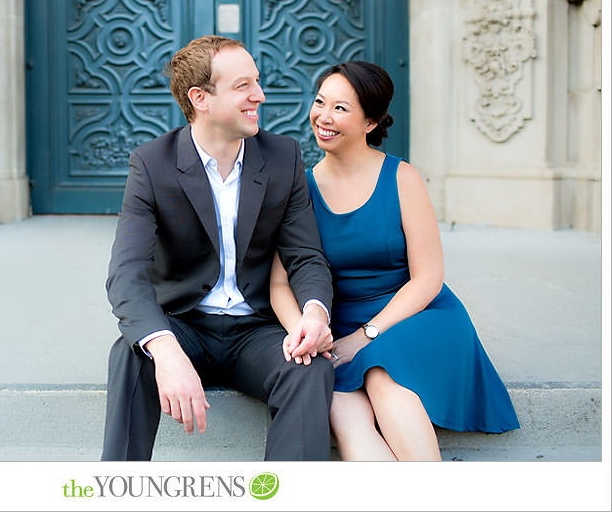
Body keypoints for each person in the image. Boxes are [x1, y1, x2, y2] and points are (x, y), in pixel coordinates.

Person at [270, 60, 520, 461]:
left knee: (383, 376)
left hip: (413, 314)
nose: (324, 116)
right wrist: (302, 331)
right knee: (341, 409)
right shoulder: (301, 187)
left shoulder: (402, 177)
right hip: (336, 324)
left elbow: (428, 278)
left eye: (341, 108)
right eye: (321, 102)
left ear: (371, 122)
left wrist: (364, 337)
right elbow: (280, 283)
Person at [101, 35, 336, 461]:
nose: (259, 96)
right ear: (200, 98)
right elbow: (127, 273)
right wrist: (165, 349)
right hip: (185, 323)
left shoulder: (283, 157)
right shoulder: (152, 164)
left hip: (258, 331)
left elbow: (305, 256)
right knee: (134, 353)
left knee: (311, 366)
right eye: (243, 85)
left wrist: (315, 312)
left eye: (257, 82)